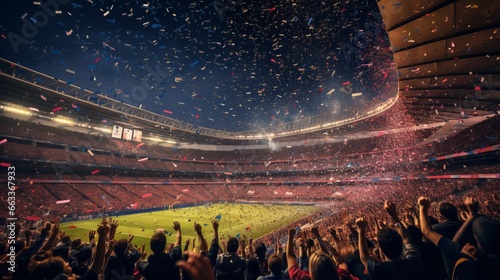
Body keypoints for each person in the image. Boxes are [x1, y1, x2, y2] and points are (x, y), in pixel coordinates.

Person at [356, 200, 424, 280]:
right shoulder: (413, 262)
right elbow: (407, 240)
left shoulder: (380, 270)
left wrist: (361, 230)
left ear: (382, 249)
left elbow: (364, 258)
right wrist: (394, 216)